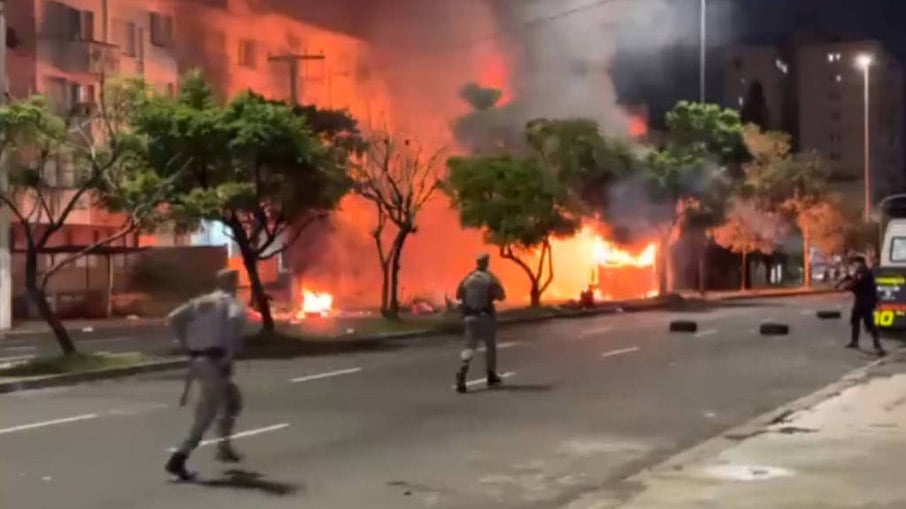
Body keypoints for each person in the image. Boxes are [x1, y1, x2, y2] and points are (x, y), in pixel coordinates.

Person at [165, 269, 248, 481]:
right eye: (235, 281)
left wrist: (185, 345)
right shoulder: (230, 302)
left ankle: (224, 447)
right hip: (214, 361)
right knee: (206, 415)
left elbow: (173, 318)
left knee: (233, 401)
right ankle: (179, 457)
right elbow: (233, 323)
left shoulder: (202, 301)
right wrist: (229, 353)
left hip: (199, 361)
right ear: (233, 282)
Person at [455, 253, 506, 393]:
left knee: (469, 347)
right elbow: (501, 295)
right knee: (490, 347)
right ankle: (491, 375)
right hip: (485, 318)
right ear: (486, 263)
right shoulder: (490, 278)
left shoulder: (468, 278)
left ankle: (463, 370)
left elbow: (458, 295)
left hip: (469, 318)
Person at [836, 256, 886, 356]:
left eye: (854, 263)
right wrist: (842, 283)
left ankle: (878, 345)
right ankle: (855, 341)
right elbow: (853, 279)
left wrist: (845, 287)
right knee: (855, 320)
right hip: (860, 301)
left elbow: (857, 283)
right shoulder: (860, 271)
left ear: (859, 263)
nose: (853, 265)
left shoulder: (863, 271)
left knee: (869, 324)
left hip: (865, 302)